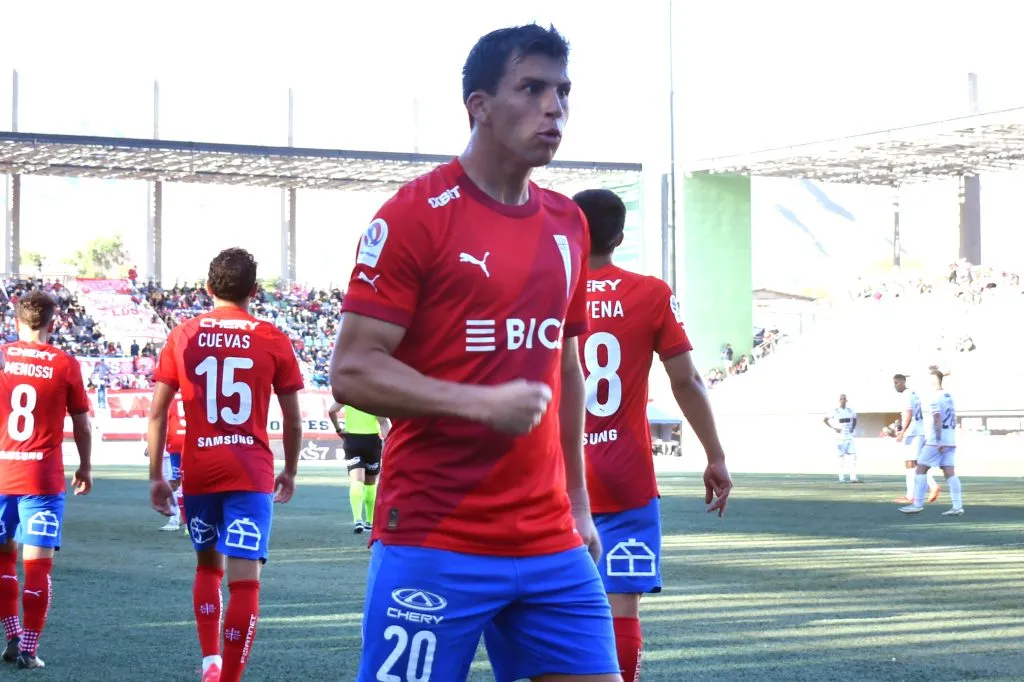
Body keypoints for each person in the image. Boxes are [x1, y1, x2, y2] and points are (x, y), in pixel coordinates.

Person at [332, 24, 623, 682]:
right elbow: (351, 369)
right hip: (436, 536)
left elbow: (565, 368)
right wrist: (477, 403)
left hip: (550, 539)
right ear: (480, 106)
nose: (554, 107)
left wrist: (578, 501)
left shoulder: (567, 223)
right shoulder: (414, 215)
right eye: (532, 88)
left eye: (563, 91)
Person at [573, 188, 732, 681]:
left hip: (555, 476)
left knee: (552, 604)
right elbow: (686, 380)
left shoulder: (544, 293)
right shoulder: (651, 293)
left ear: (572, 232)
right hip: (625, 476)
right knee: (622, 606)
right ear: (620, 238)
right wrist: (714, 455)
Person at [147, 248, 305, 682]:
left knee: (207, 567)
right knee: (245, 581)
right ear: (255, 290)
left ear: (207, 288)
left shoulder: (183, 334)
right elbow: (293, 419)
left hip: (199, 469)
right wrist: (291, 470)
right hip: (250, 470)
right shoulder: (272, 337)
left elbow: (158, 414)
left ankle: (210, 663)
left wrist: (157, 476)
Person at [0, 291, 93, 669]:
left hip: (1, 474)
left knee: (4, 562)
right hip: (41, 478)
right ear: (53, 323)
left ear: (15, 321)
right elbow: (82, 424)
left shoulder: (3, 356)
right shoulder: (65, 363)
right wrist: (85, 467)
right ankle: (29, 649)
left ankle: (12, 636)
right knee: (38, 568)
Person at [900, 368, 963, 516]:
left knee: (920, 468)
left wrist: (939, 439)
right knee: (949, 472)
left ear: (933, 381)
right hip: (950, 439)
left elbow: (937, 418)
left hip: (937, 441)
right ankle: (957, 506)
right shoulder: (948, 396)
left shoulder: (935, 397)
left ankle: (917, 504)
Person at [327, 401, 390, 534]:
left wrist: (338, 429)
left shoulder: (349, 393)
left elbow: (332, 411)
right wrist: (389, 442)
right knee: (370, 483)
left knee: (357, 480)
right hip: (372, 442)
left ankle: (357, 519)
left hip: (352, 440)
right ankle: (370, 522)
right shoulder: (376, 397)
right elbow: (383, 421)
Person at [891, 374, 939, 505]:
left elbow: (908, 413)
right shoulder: (913, 394)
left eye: (896, 383)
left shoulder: (906, 395)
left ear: (902, 382)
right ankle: (923, 489)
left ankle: (916, 493)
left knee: (910, 464)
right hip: (919, 431)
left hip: (912, 433)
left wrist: (902, 431)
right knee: (916, 464)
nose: (895, 385)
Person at [823, 394, 861, 482]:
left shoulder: (850, 411)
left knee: (853, 457)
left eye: (844, 399)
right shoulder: (835, 411)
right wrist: (834, 428)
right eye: (841, 399)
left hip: (849, 437)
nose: (843, 400)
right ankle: (841, 478)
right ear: (839, 401)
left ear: (846, 400)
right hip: (840, 438)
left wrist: (853, 428)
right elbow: (825, 420)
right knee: (841, 458)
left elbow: (855, 419)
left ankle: (853, 477)